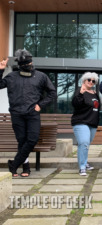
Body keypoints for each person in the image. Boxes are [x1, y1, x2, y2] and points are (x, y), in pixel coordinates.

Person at [0, 49, 56, 177]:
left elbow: (52, 93)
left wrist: (40, 105)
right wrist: (1, 69)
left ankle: (14, 164)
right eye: (25, 64)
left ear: (32, 62)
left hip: (32, 114)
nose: (28, 66)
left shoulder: (41, 76)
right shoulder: (12, 76)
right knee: (22, 140)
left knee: (32, 139)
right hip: (17, 114)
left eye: (29, 63)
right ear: (20, 65)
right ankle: (25, 167)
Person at [71, 72, 100, 176]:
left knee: (86, 144)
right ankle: (82, 167)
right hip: (81, 122)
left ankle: (84, 162)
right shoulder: (80, 90)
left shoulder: (95, 93)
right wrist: (81, 93)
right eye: (89, 80)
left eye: (93, 81)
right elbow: (75, 104)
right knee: (83, 142)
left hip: (92, 123)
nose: (91, 82)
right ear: (84, 80)